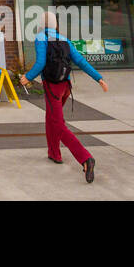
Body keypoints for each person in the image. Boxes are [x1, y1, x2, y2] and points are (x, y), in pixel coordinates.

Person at [19, 11, 109, 183]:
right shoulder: (63, 39)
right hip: (65, 86)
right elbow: (81, 61)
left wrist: (27, 77)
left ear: (41, 24)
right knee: (51, 118)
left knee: (58, 125)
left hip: (52, 86)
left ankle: (85, 158)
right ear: (55, 24)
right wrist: (99, 78)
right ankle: (54, 153)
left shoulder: (40, 38)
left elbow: (40, 63)